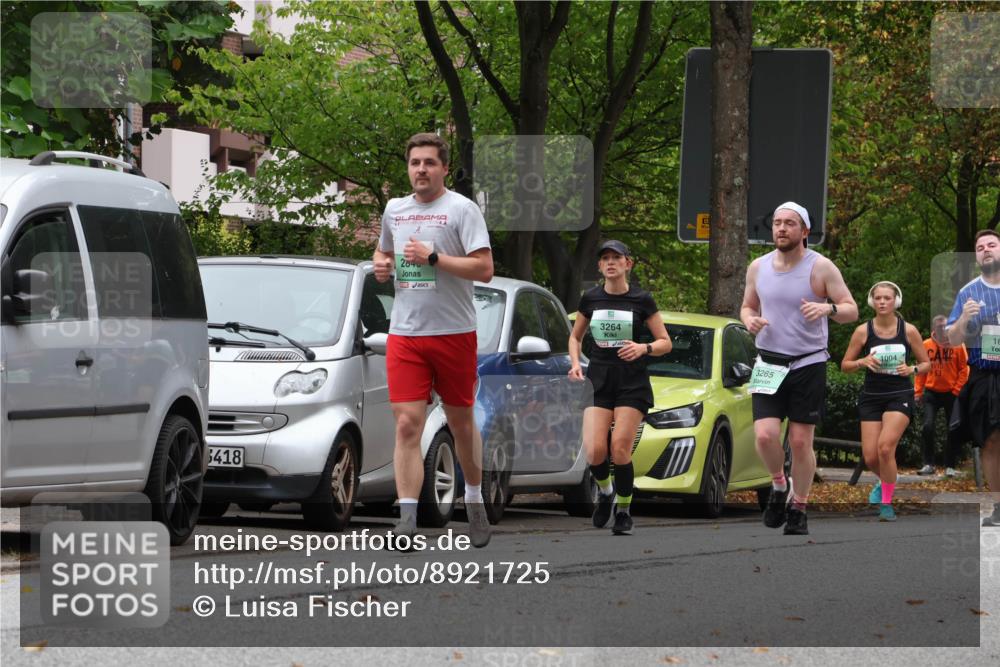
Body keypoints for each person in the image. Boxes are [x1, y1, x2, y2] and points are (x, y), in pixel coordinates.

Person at [373, 132, 494, 547]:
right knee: (407, 424)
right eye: (415, 163)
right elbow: (383, 253)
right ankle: (407, 517)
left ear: (443, 168)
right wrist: (382, 266)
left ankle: (473, 498)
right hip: (406, 334)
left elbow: (484, 269)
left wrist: (435, 258)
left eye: (429, 162)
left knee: (461, 423)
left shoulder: (462, 209)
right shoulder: (395, 209)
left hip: (454, 333)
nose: (421, 169)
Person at [740, 201, 858, 535]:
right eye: (777, 222)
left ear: (805, 231)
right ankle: (779, 484)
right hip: (768, 362)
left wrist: (827, 310)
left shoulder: (821, 267)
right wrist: (749, 320)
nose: (781, 228)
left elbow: (851, 310)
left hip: (808, 362)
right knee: (764, 436)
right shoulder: (758, 267)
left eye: (789, 223)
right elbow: (747, 306)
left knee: (801, 442)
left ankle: (800, 507)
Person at [569, 240, 671, 535]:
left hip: (631, 382)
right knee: (594, 451)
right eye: (605, 258)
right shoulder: (591, 298)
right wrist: (575, 363)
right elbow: (575, 337)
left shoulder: (642, 299)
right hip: (598, 380)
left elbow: (665, 342)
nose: (611, 262)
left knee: (620, 448)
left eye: (616, 257)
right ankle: (605, 492)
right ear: (600, 266)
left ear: (628, 264)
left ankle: (624, 511)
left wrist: (643, 348)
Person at [841, 282, 930, 522]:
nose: (882, 302)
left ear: (896, 301)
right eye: (878, 298)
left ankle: (887, 504)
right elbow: (845, 365)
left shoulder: (908, 330)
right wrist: (862, 362)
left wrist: (911, 369)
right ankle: (889, 479)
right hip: (871, 397)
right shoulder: (863, 331)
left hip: (899, 394)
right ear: (872, 302)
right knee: (871, 457)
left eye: (887, 298)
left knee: (885, 448)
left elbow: (926, 364)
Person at [946, 228, 1000, 527]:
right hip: (983, 373)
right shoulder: (968, 292)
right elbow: (953, 339)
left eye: (992, 245)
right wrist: (965, 318)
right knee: (990, 441)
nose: (986, 250)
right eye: (980, 247)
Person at [914, 315, 969, 477]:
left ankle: (950, 466)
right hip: (931, 392)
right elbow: (921, 370)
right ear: (934, 329)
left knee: (953, 428)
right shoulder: (926, 345)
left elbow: (964, 369)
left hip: (951, 393)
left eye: (945, 326)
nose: (943, 329)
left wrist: (957, 390)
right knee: (927, 426)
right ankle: (928, 464)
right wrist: (918, 392)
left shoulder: (958, 344)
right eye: (939, 327)